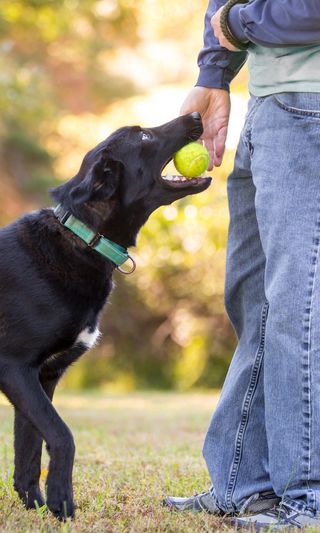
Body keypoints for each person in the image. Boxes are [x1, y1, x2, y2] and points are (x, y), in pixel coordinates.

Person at [163, 0, 320, 529]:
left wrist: (235, 24)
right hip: (272, 109)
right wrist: (214, 73)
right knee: (257, 304)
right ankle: (242, 482)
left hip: (312, 108)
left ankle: (308, 497)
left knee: (299, 308)